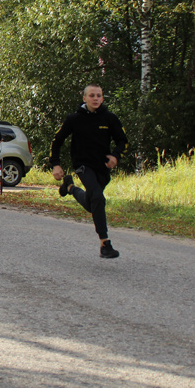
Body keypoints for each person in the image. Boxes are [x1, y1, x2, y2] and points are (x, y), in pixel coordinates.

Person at [50, 84, 128, 259]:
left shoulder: (110, 118)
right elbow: (57, 141)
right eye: (92, 95)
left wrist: (116, 156)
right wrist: (55, 164)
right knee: (98, 198)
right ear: (84, 98)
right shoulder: (74, 119)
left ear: (102, 98)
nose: (96, 98)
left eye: (99, 95)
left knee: (93, 203)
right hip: (83, 165)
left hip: (102, 168)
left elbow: (123, 141)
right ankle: (105, 243)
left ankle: (70, 188)